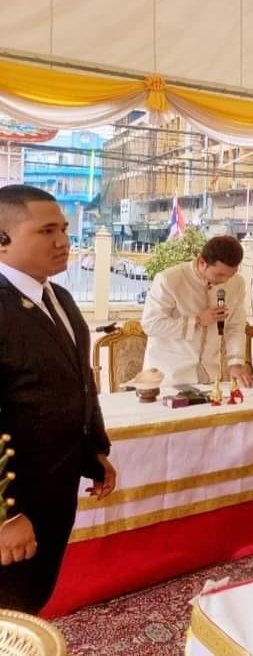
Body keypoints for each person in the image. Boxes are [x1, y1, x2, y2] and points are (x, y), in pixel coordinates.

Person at [0, 185, 115, 613]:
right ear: (3, 240)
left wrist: (94, 452)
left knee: (32, 599)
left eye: (64, 229)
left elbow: (78, 382)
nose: (64, 241)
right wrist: (5, 516)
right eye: (47, 231)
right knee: (10, 611)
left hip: (55, 488)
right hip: (15, 503)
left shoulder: (58, 297)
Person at [141, 235, 250, 388]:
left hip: (210, 376)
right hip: (168, 377)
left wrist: (235, 363)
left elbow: (236, 327)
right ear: (202, 262)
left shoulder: (237, 283)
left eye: (230, 275)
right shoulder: (170, 280)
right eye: (219, 274)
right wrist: (196, 321)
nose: (225, 281)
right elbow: (151, 325)